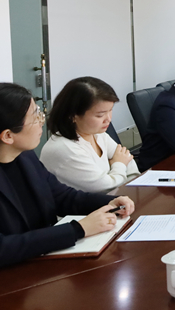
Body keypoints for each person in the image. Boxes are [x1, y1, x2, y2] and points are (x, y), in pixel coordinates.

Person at [0, 83, 135, 268]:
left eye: (39, 113)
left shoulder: (25, 156)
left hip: (45, 258)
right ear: (8, 136)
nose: (42, 122)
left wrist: (110, 203)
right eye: (35, 117)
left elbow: (63, 196)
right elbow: (4, 248)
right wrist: (78, 229)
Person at [40, 77, 140, 193]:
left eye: (110, 110)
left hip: (117, 199)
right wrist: (119, 164)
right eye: (100, 115)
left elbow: (128, 161)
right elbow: (106, 187)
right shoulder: (64, 149)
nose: (108, 119)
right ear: (73, 116)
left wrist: (121, 172)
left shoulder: (97, 134)